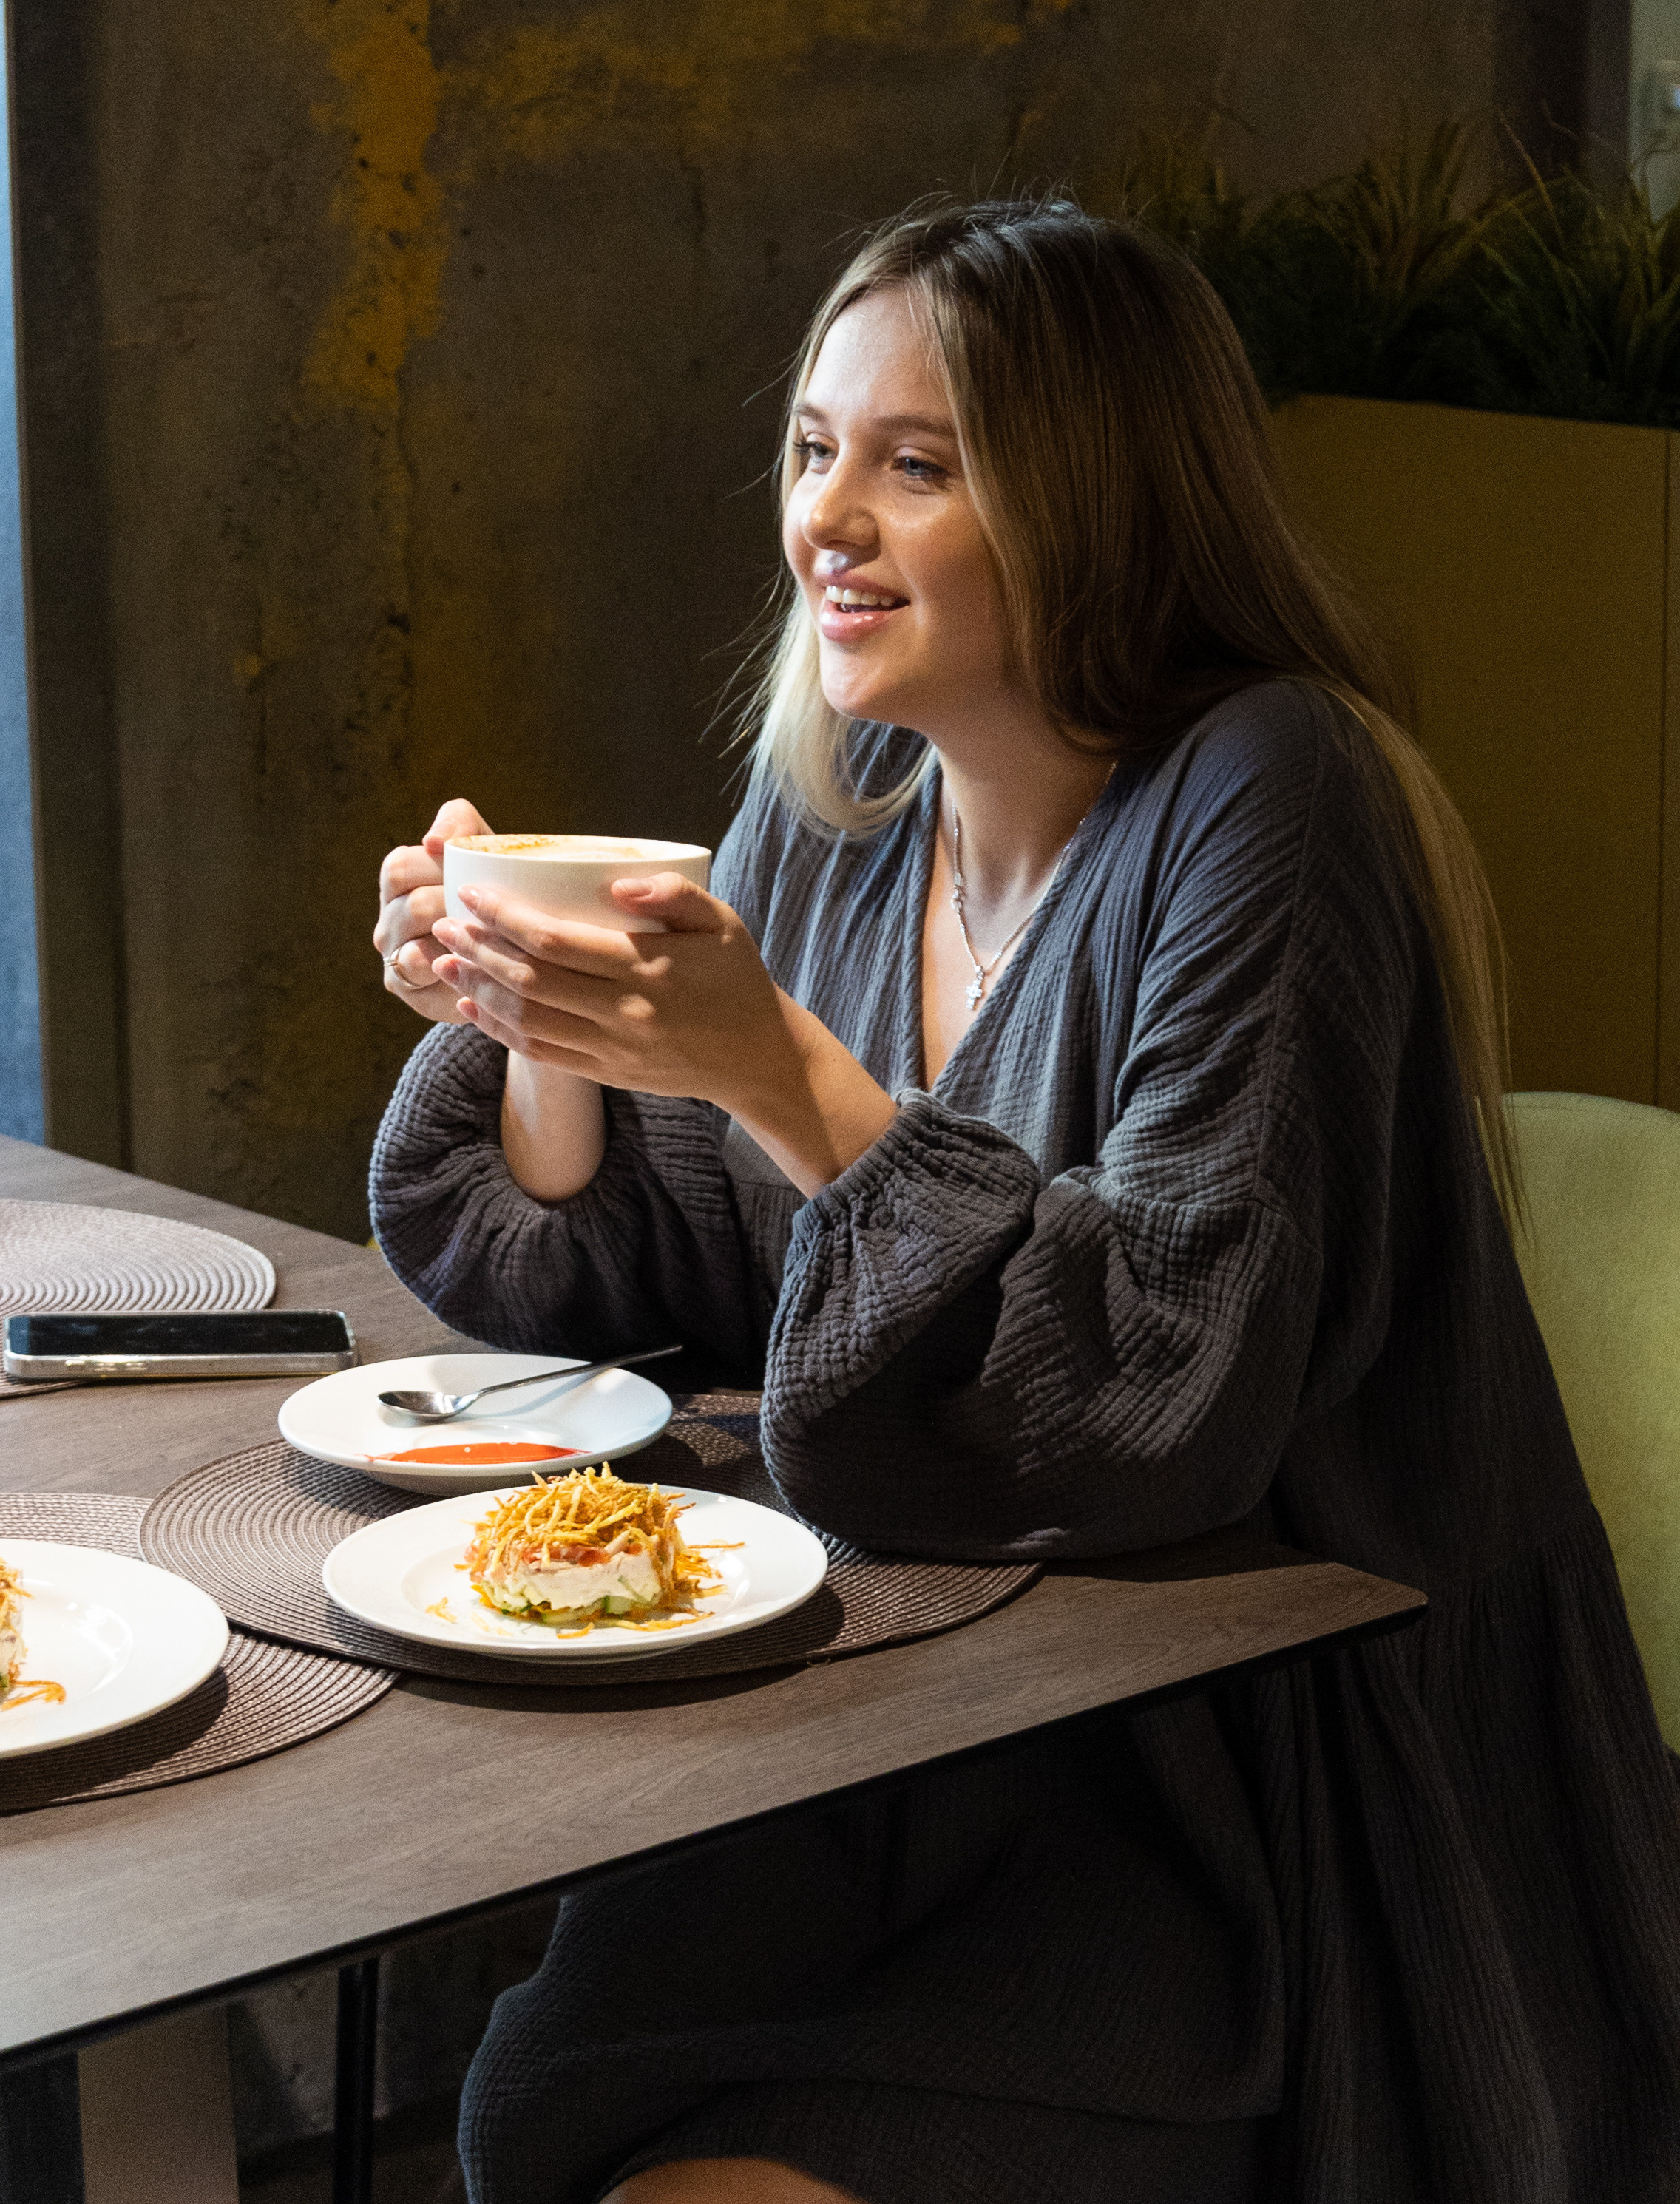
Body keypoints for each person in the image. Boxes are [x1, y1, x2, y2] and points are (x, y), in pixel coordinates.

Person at [369, 200, 1680, 2204]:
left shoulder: (1276, 795)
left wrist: (781, 1072)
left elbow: (1167, 1386)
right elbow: (677, 1291)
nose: (833, 517)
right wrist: (542, 1007)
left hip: (1242, 1790)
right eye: (815, 449)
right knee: (563, 2114)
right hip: (894, 1738)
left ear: (1101, 503)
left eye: (920, 463)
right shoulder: (830, 836)